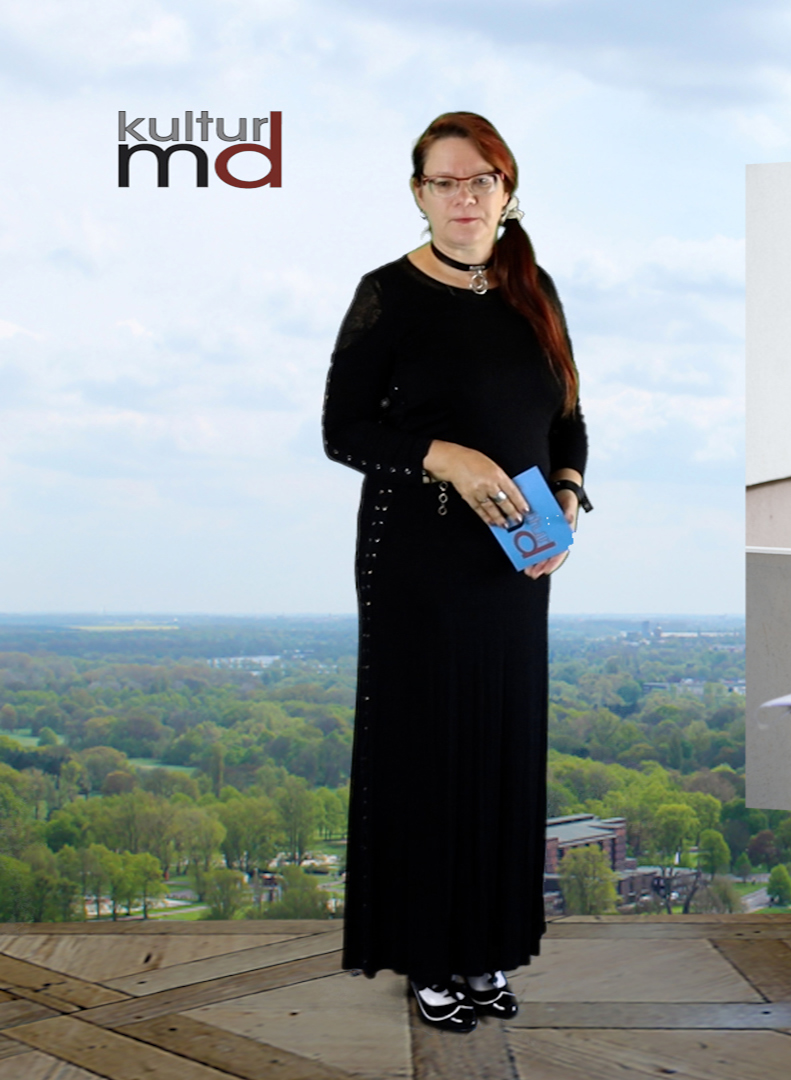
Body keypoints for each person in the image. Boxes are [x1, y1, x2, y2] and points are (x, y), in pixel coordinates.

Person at [322, 112, 588, 1033]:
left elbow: (567, 418)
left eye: (481, 181)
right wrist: (445, 454)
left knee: (501, 753)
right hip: (415, 561)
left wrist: (568, 492)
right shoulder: (385, 295)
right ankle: (428, 956)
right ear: (419, 194)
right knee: (426, 753)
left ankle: (484, 950)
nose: (464, 197)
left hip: (517, 566)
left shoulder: (534, 291)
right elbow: (343, 432)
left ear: (507, 194)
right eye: (445, 182)